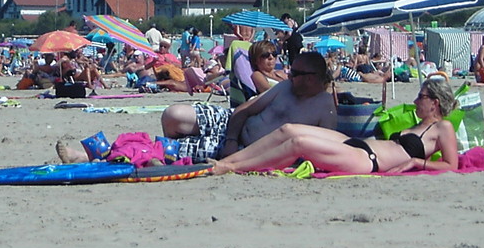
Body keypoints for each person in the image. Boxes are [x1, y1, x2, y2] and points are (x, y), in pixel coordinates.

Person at [211, 77, 459, 175]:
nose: (416, 100)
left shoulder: (442, 127)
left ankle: (231, 168)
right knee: (289, 129)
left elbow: (451, 165)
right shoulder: (417, 124)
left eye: (421, 96)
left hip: (368, 160)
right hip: (360, 146)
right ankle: (230, 159)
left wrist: (417, 162)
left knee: (300, 144)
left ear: (434, 103)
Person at [158, 51, 337, 163]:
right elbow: (243, 110)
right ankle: (185, 141)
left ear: (311, 78)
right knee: (172, 115)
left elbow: (323, 151)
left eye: (295, 73)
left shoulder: (324, 108)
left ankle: (181, 148)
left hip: (249, 151)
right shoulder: (285, 88)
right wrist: (231, 140)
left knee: (164, 151)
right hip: (230, 124)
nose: (289, 76)